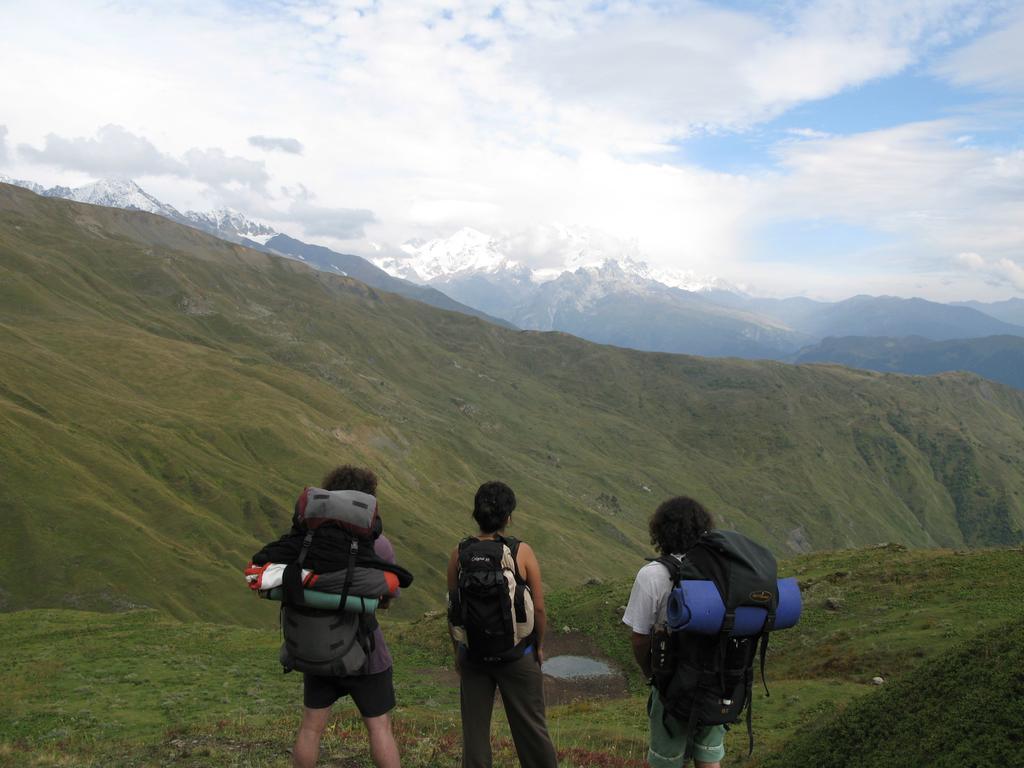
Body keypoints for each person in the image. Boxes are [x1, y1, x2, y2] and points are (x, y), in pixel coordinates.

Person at [253, 465, 402, 768]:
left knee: (311, 728)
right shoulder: (379, 544)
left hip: (317, 646)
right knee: (379, 728)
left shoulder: (307, 540)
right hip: (366, 651)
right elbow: (385, 601)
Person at [446, 481, 558, 768]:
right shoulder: (521, 552)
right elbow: (540, 609)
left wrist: (458, 651)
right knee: (532, 732)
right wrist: (539, 646)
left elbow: (454, 609)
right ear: (508, 517)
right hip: (517, 656)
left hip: (474, 657)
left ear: (476, 514)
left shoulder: (459, 554)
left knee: (475, 736)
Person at [622, 496, 725, 768]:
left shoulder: (652, 575)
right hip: (717, 680)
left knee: (667, 761)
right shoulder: (720, 570)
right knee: (709, 759)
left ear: (660, 532)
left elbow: (640, 638)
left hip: (673, 685)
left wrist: (651, 672)